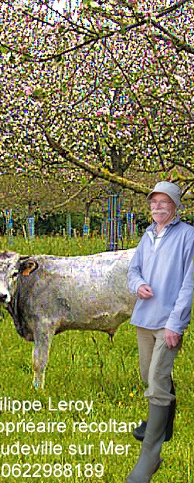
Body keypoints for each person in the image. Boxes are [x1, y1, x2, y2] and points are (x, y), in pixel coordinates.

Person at [126, 181, 194, 483]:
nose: (157, 207)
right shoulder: (147, 235)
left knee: (155, 381)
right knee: (148, 375)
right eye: (153, 202)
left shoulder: (189, 237)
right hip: (144, 318)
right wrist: (136, 285)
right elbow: (133, 270)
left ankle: (149, 457)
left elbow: (189, 285)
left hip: (168, 321)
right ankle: (164, 425)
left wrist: (175, 324)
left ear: (176, 206)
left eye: (164, 202)